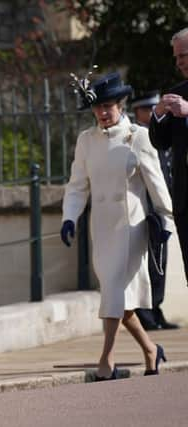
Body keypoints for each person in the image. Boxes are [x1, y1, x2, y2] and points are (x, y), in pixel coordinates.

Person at [61, 72, 173, 380]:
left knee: (113, 292)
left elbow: (156, 183)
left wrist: (165, 219)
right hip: (102, 228)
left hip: (131, 227)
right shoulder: (86, 141)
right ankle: (151, 350)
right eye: (98, 107)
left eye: (108, 106)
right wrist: (69, 217)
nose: (103, 112)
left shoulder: (138, 136)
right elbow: (77, 186)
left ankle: (106, 360)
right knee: (120, 302)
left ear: (120, 105)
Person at [131, 91, 179, 330]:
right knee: (147, 261)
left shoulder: (159, 132)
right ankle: (145, 313)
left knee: (160, 259)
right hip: (144, 207)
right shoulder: (135, 135)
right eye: (147, 110)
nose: (152, 114)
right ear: (138, 111)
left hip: (161, 205)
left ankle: (156, 309)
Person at [150, 27, 188, 288]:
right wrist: (159, 115)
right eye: (176, 58)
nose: (179, 62)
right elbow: (160, 143)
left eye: (183, 55)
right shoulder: (178, 92)